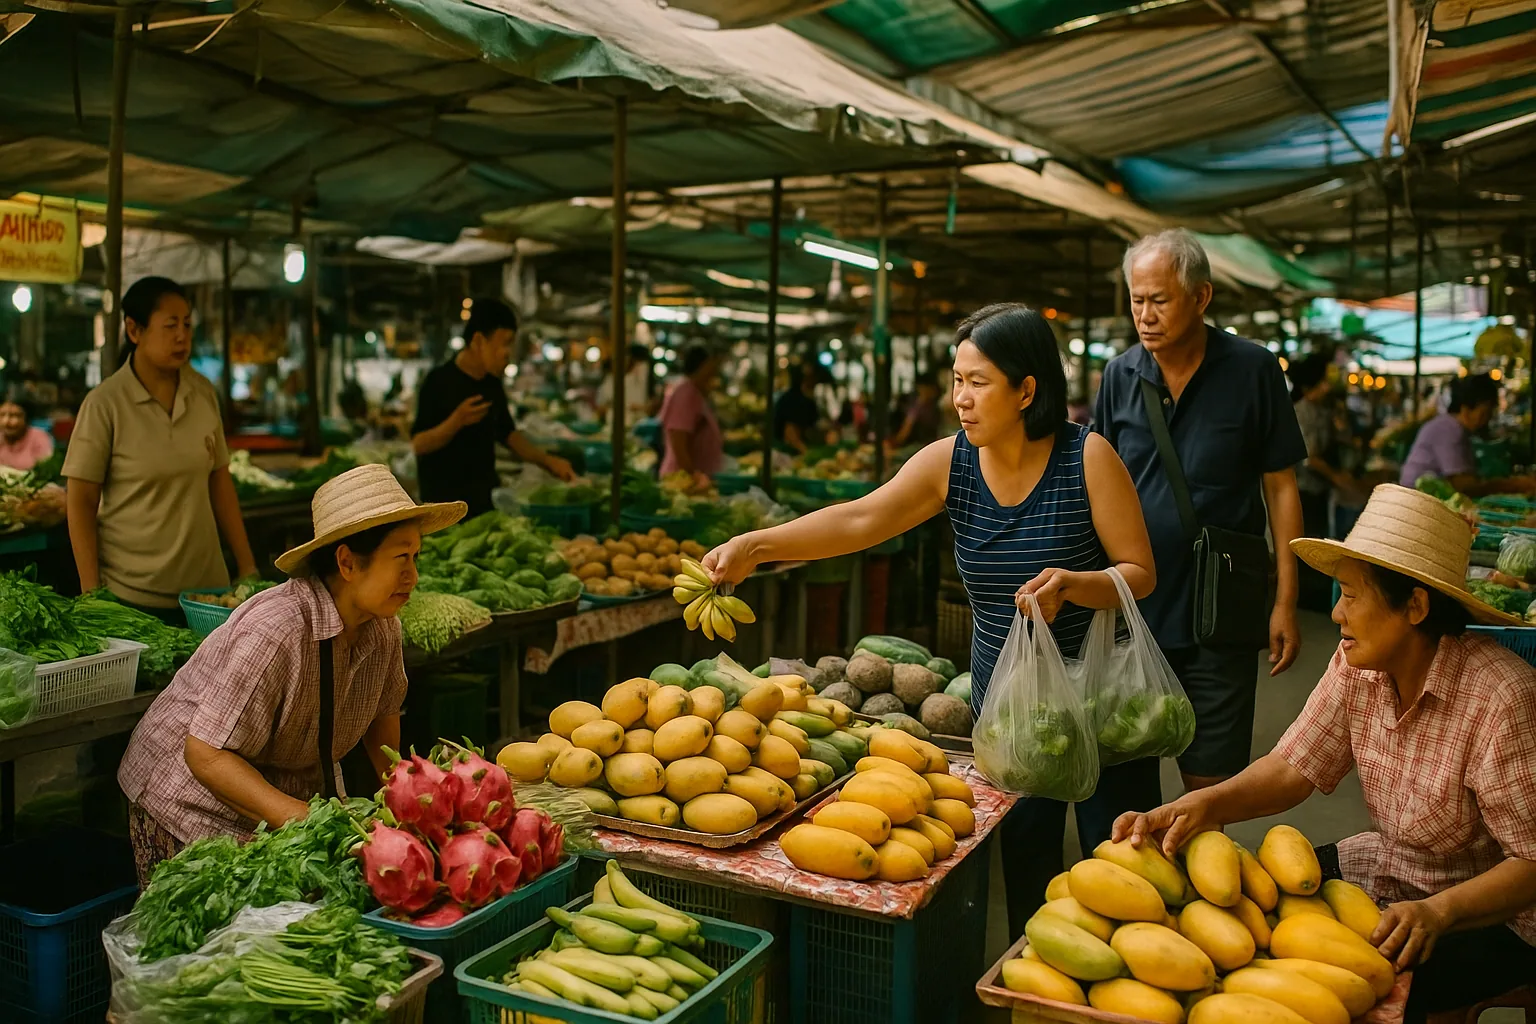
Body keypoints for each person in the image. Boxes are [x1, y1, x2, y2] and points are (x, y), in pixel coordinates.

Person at [703, 303, 1158, 937]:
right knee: (1027, 868)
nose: (961, 399)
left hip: (1105, 701)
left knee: (1123, 864)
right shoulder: (953, 463)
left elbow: (1141, 572)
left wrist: (1076, 587)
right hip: (1015, 708)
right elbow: (861, 519)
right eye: (956, 380)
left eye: (978, 382)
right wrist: (758, 544)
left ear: (1027, 390)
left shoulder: (1088, 458)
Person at [1114, 485, 1536, 1024]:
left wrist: (1439, 911)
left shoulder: (1502, 699)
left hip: (1490, 915)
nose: (1336, 614)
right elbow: (1293, 767)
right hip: (1391, 870)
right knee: (1261, 915)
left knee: (1366, 989)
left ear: (1415, 605)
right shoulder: (1356, 665)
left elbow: (1530, 862)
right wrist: (1203, 806)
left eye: (1352, 596)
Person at [118, 464, 464, 884]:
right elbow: (206, 755)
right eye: (400, 558)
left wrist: (404, 799)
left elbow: (381, 717)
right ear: (348, 563)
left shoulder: (383, 625)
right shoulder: (277, 628)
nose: (413, 575)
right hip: (188, 798)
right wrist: (306, 820)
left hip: (278, 795)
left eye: (415, 557)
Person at [1095, 229, 1307, 792]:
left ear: (1201, 296)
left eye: (1159, 300)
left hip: (1223, 612)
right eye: (1137, 300)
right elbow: (1096, 481)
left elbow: (1281, 488)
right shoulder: (1120, 376)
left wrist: (1286, 600)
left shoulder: (1254, 371)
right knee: (1126, 785)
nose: (1145, 315)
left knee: (1210, 786)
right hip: (1135, 614)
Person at [64, 277, 257, 622]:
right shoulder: (105, 404)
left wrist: (247, 566)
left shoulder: (202, 393)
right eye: (170, 326)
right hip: (133, 598)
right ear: (134, 330)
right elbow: (80, 500)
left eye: (186, 324)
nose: (182, 335)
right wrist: (91, 593)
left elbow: (220, 483)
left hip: (207, 596)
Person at [411, 299, 573, 516]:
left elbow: (509, 434)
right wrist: (456, 421)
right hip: (443, 510)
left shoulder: (491, 384)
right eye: (505, 343)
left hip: (483, 503)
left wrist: (548, 461)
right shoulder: (438, 382)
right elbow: (419, 445)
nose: (508, 353)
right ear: (478, 341)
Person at [1289, 353, 1359, 611]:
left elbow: (1339, 442)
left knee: (1318, 536)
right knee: (1306, 539)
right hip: (1302, 489)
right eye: (1322, 383)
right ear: (1308, 387)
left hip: (1319, 489)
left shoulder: (1325, 410)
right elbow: (1310, 458)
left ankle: (1313, 591)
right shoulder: (1301, 412)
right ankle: (1306, 595)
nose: (1327, 387)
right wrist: (1337, 478)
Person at [1398, 373, 1530, 495]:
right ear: (1466, 410)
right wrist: (1514, 485)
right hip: (1416, 501)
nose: (1488, 419)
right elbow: (1464, 485)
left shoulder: (1453, 427)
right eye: (1484, 413)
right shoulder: (1449, 429)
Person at [659, 345, 725, 492]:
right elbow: (678, 438)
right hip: (681, 483)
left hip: (693, 481)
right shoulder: (686, 394)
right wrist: (692, 477)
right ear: (703, 366)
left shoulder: (694, 392)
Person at [775, 363, 822, 454]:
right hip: (788, 452)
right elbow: (790, 432)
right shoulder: (794, 400)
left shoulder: (804, 399)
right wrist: (806, 452)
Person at [887, 372, 942, 449]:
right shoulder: (916, 406)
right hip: (915, 445)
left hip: (924, 446)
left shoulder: (935, 408)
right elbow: (904, 433)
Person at [0, 394, 54, 471]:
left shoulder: (39, 438)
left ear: (26, 418)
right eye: (2, 415)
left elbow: (45, 470)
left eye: (14, 415)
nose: (6, 422)